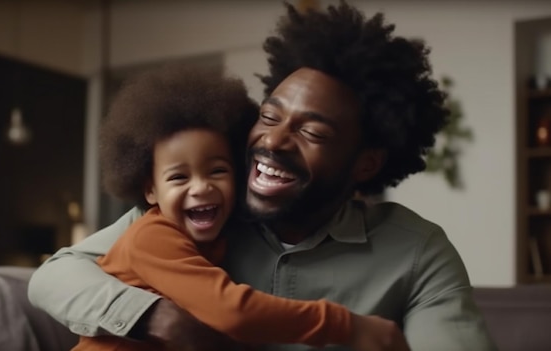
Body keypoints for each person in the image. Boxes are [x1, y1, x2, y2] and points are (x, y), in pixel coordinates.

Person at [28, 1, 497, 350]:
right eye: (269, 117)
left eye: (311, 131)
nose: (273, 142)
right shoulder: (197, 211)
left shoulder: (417, 253)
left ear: (366, 163)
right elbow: (53, 277)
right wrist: (154, 316)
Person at [72, 64, 401, 351]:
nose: (201, 187)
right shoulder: (151, 237)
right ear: (150, 191)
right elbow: (233, 311)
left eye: (217, 170)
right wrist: (347, 325)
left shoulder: (220, 238)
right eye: (179, 177)